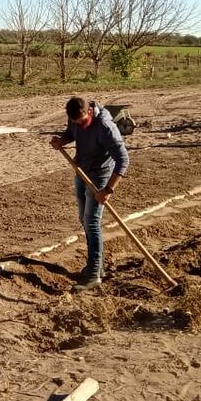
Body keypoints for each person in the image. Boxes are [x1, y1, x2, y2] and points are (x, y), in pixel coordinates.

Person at [50, 97, 129, 291]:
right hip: (82, 170)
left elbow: (123, 160)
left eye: (82, 121)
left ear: (90, 112)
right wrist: (62, 140)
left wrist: (108, 190)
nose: (79, 124)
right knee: (83, 219)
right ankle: (97, 267)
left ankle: (94, 275)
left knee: (92, 222)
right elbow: (71, 133)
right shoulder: (75, 116)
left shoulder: (106, 128)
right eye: (75, 121)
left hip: (101, 176)